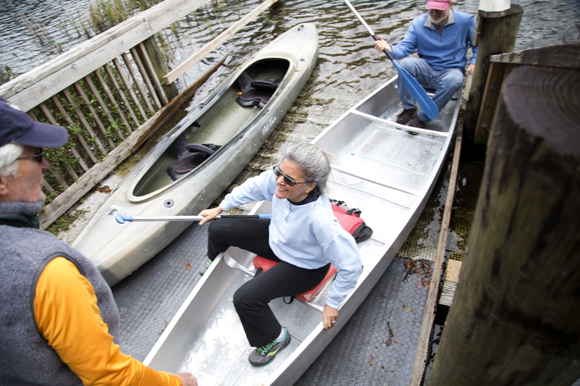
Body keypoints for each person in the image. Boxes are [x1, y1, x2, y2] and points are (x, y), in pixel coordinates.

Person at [0, 96, 198, 386]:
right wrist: (177, 383)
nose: (45, 163)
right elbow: (109, 376)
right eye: (35, 154)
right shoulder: (48, 272)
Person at [198, 143, 363, 367]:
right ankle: (213, 262)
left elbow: (351, 265)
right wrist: (221, 207)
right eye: (279, 172)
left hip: (304, 266)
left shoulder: (321, 220)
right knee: (218, 228)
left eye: (289, 180)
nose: (279, 181)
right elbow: (252, 187)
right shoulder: (280, 182)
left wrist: (333, 303)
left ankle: (276, 338)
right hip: (279, 241)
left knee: (245, 299)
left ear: (310, 186)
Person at [374, 0, 478, 129]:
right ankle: (409, 108)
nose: (434, 13)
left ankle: (423, 117)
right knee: (405, 65)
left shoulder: (466, 21)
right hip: (427, 68)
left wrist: (474, 62)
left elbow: (478, 46)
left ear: (450, 5)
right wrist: (389, 48)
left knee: (455, 79)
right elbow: (404, 48)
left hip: (451, 70)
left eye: (439, 9)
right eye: (431, 9)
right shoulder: (418, 23)